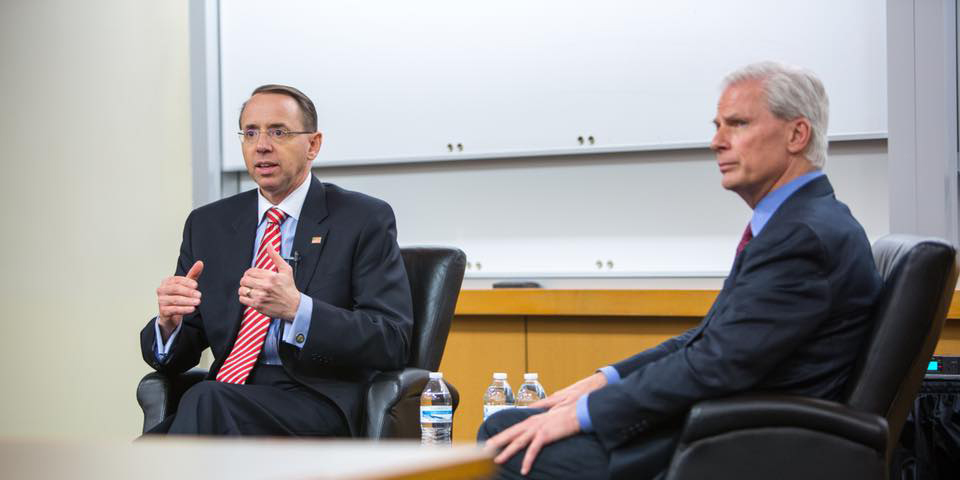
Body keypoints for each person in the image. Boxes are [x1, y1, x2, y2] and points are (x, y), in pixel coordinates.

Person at [479, 62, 883, 479]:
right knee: (508, 427)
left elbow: (715, 364)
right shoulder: (801, 222)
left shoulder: (802, 236)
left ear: (797, 135)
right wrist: (604, 381)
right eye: (717, 125)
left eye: (738, 124)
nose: (716, 142)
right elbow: (708, 341)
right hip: (726, 426)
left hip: (737, 444)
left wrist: (585, 415)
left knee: (503, 444)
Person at [140, 84, 413, 436]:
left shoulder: (362, 219)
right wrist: (169, 324)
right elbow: (181, 351)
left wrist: (298, 309)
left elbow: (392, 341)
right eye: (250, 133)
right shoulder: (208, 225)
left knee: (204, 404)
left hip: (314, 400)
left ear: (313, 144)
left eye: (278, 132)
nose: (262, 145)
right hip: (226, 398)